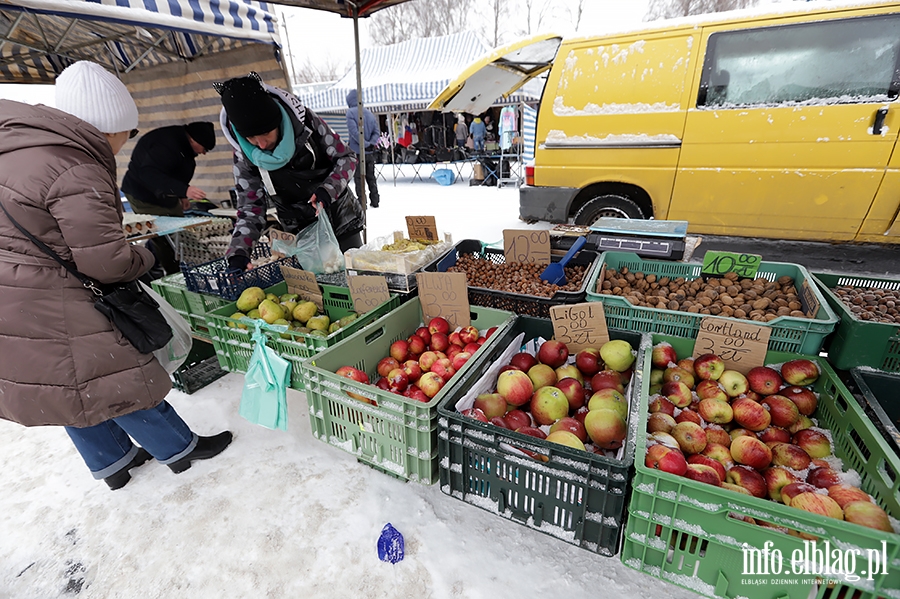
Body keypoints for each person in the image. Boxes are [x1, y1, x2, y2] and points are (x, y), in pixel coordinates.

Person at [0, 61, 232, 490]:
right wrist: (148, 257)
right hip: (58, 299)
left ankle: (114, 463)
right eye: (127, 133)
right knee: (115, 373)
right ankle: (179, 449)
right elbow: (105, 262)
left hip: (13, 296)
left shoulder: (15, 148)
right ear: (108, 127)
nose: (125, 144)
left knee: (66, 387)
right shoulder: (73, 164)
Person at [214, 73, 364, 273]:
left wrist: (328, 190)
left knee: (356, 277)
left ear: (277, 121)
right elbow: (250, 208)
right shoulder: (244, 155)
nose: (261, 145)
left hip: (340, 218)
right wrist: (238, 253)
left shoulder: (307, 123)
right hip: (299, 232)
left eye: (266, 133)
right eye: (251, 137)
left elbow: (346, 158)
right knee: (318, 290)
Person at [121, 121, 217, 274]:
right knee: (163, 237)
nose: (204, 153)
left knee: (180, 232)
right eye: (204, 148)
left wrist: (181, 195)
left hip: (166, 195)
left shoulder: (183, 145)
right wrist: (184, 190)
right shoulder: (165, 145)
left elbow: (175, 172)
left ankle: (191, 268)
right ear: (193, 140)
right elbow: (150, 175)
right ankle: (174, 274)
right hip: (143, 194)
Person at [345, 89, 380, 208]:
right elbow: (376, 132)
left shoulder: (350, 113)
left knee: (359, 178)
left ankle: (362, 203)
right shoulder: (369, 113)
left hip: (357, 152)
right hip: (370, 152)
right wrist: (371, 143)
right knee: (371, 177)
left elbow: (354, 132)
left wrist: (363, 144)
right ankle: (375, 200)